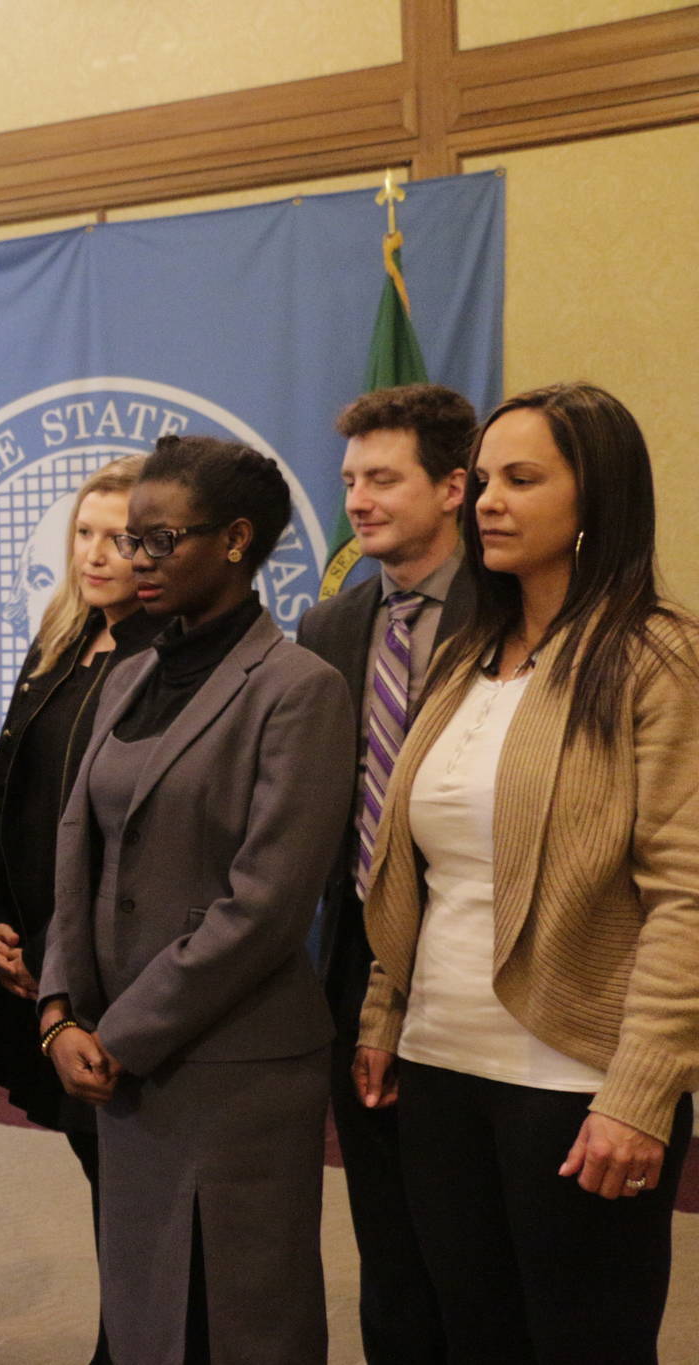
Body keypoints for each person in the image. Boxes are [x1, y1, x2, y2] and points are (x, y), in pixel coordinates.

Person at [353, 383, 699, 1363]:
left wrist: (640, 1091)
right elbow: (415, 870)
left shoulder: (653, 656)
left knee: (579, 1342)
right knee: (472, 1336)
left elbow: (685, 897)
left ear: (594, 499)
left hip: (571, 1076)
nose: (486, 501)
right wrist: (384, 1010)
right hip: (436, 1065)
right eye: (483, 481)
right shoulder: (467, 654)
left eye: (521, 479)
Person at [37, 435, 355, 1364]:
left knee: (236, 1323)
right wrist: (59, 1009)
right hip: (117, 1065)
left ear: (236, 540)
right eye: (132, 539)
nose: (136, 560)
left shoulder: (300, 689)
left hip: (235, 1069)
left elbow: (266, 904)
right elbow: (76, 851)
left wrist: (121, 1032)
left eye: (160, 539)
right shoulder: (130, 674)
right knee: (145, 1320)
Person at [295, 383, 475, 1364]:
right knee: (388, 1247)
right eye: (348, 480)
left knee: (472, 1248)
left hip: (478, 970)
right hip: (350, 971)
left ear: (452, 486)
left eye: (380, 478)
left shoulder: (521, 612)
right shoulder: (328, 627)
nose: (357, 500)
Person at [0, 454, 155, 1365]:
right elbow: (10, 789)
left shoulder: (165, 655)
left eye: (119, 537)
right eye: (84, 533)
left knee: (129, 1165)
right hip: (34, 944)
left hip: (114, 956)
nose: (96, 553)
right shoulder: (59, 644)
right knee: (95, 1158)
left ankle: (128, 1343)